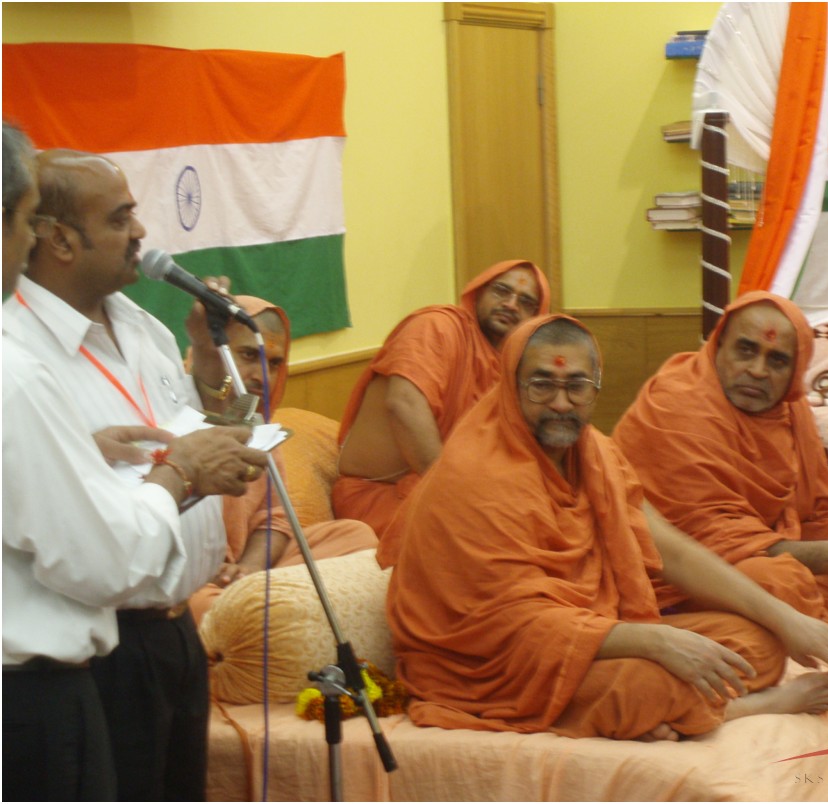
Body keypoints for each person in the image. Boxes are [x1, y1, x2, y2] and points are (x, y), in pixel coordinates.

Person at [378, 314, 828, 741]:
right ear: (510, 385)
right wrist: (658, 641)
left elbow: (670, 548)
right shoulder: (476, 473)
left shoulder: (595, 453)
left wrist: (785, 619)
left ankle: (682, 709)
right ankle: (740, 708)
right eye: (542, 385)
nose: (562, 404)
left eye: (578, 387)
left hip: (586, 631)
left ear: (597, 387)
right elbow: (513, 623)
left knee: (758, 643)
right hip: (489, 665)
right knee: (652, 683)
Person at [2, 125, 267, 801]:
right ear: (56, 238)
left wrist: (212, 385)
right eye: (120, 219)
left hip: (175, 630)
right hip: (95, 650)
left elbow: (192, 435)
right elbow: (89, 541)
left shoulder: (142, 326)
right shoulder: (20, 359)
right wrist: (174, 474)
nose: (140, 232)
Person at [613, 291, 828, 623]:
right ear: (718, 345)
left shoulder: (789, 407)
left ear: (795, 373)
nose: (757, 371)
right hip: (678, 571)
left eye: (777, 360)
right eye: (746, 350)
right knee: (781, 585)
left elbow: (823, 507)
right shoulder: (678, 406)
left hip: (754, 547)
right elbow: (710, 540)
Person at [185, 295, 378, 624]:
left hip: (248, 571)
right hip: (193, 579)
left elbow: (275, 519)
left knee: (355, 536)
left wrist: (248, 568)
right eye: (249, 355)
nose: (263, 375)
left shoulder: (259, 423)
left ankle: (253, 600)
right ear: (212, 348)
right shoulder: (172, 409)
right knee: (202, 605)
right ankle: (254, 606)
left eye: (274, 363)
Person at [333, 259, 551, 535]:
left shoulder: (510, 368)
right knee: (488, 543)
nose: (511, 304)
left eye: (526, 302)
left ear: (535, 318)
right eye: (501, 291)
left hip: (448, 494)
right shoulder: (437, 326)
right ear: (478, 292)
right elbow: (404, 404)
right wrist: (457, 499)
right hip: (377, 498)